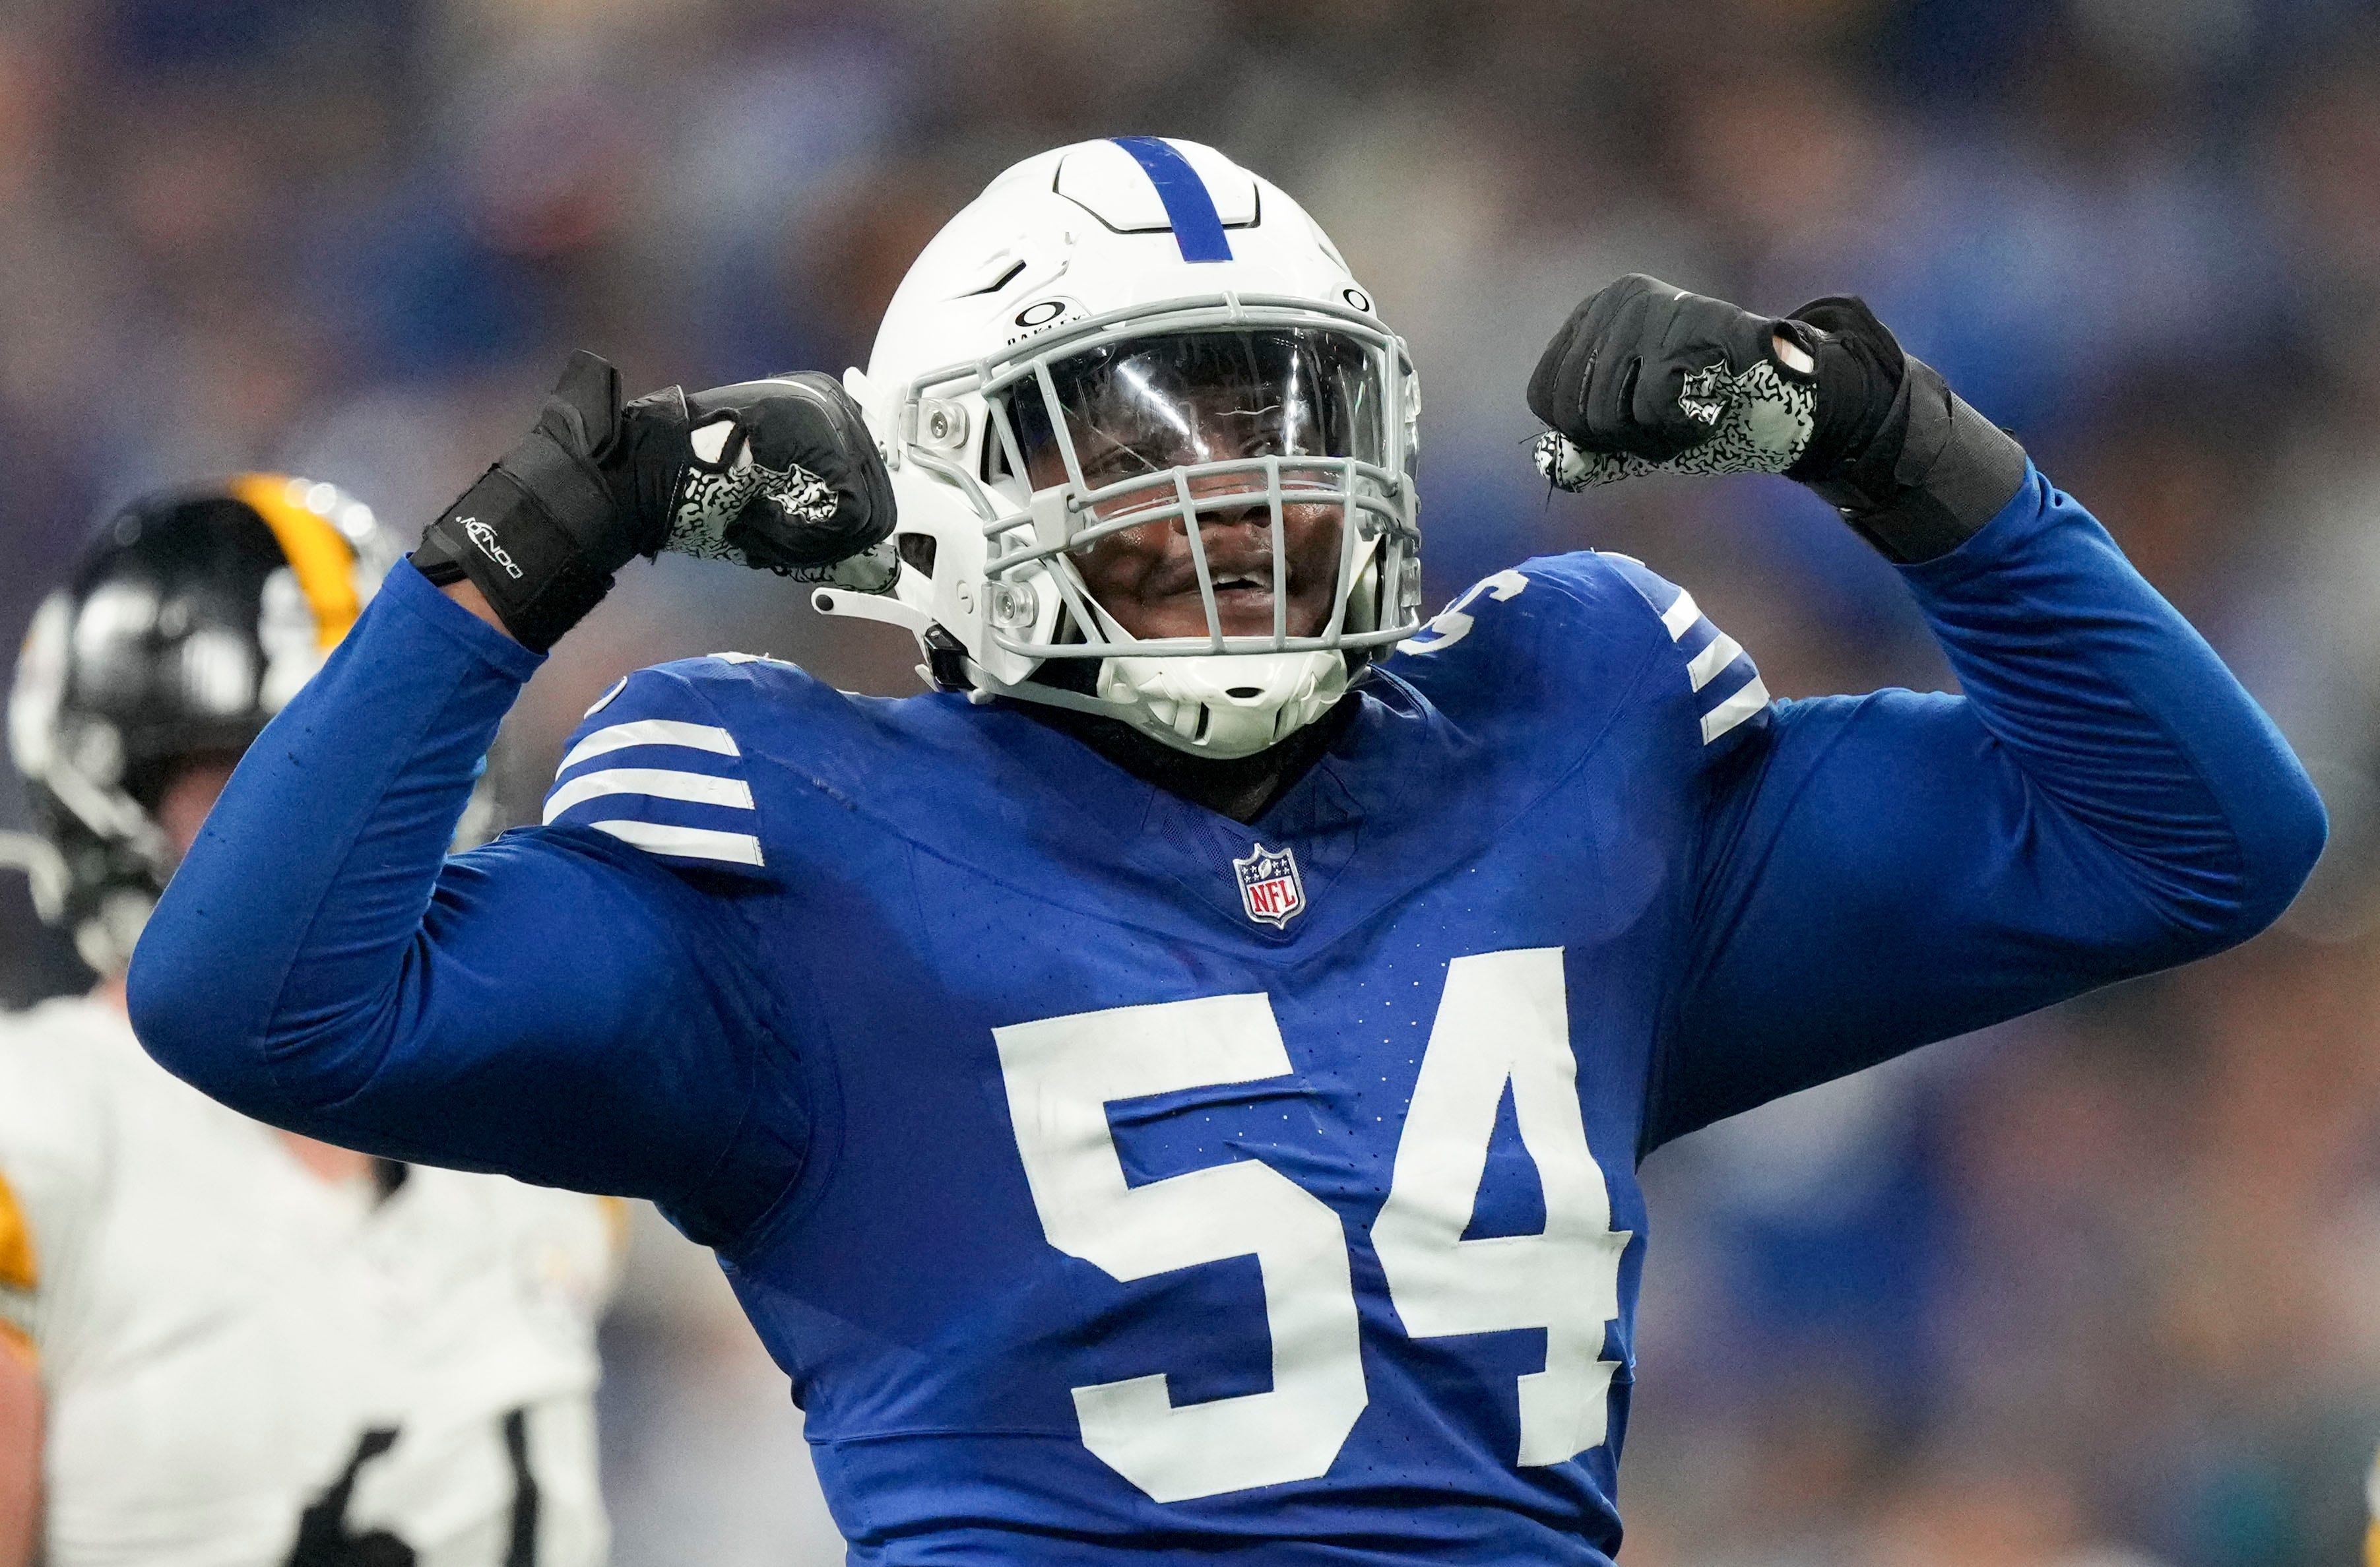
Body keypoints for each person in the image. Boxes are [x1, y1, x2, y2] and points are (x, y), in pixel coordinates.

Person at [128, 139, 2324, 1565]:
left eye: (1273, 421)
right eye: (1129, 439)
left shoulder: (1557, 740)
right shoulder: (796, 847)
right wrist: (524, 548)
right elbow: (256, 995)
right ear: (949, 495)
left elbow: (2193, 833)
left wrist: (1886, 446)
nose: (1229, 501)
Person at [0, 478, 617, 1567]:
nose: (324, 823)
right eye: (259, 774)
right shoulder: (41, 1135)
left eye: (375, 768)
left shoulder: (542, 1120)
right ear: (110, 798)